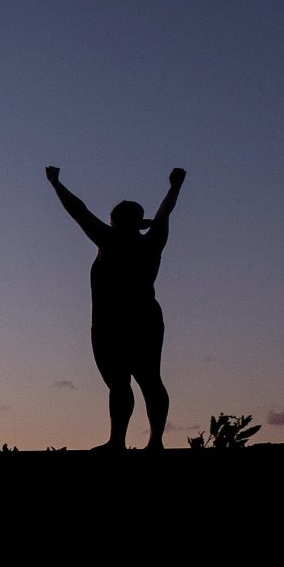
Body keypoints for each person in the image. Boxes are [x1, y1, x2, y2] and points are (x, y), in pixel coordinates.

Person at [48, 164, 185, 450]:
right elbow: (165, 212)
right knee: (147, 381)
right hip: (141, 319)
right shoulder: (153, 241)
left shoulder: (108, 240)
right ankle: (147, 441)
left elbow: (78, 211)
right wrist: (174, 186)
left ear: (113, 221)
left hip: (114, 324)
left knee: (125, 383)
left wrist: (56, 184)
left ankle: (123, 442)